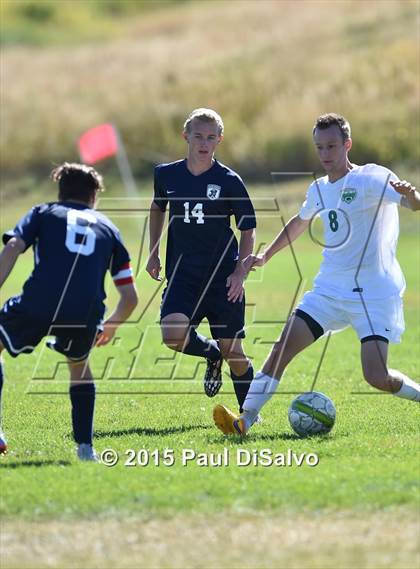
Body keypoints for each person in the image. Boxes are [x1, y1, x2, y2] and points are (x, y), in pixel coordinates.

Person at [213, 112, 420, 435]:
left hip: (373, 293)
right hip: (329, 289)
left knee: (377, 377)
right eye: (320, 147)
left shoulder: (371, 178)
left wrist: (411, 195)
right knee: (282, 348)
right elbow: (300, 221)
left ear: (347, 145)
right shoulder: (319, 189)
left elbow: (413, 204)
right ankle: (245, 418)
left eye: (332, 146)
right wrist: (266, 255)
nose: (325, 154)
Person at [0, 163, 138, 459]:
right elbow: (130, 297)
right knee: (79, 365)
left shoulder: (44, 212)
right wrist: (110, 325)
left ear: (61, 192)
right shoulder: (109, 228)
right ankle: (86, 448)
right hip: (85, 310)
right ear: (93, 197)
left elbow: (13, 245)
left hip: (39, 300)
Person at [146, 108, 256, 411]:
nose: (203, 143)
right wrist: (153, 251)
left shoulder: (229, 180)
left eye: (210, 137)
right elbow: (157, 208)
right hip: (183, 274)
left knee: (234, 352)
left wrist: (240, 273)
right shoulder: (166, 174)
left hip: (223, 278)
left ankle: (248, 415)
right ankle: (210, 354)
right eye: (198, 136)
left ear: (219, 140)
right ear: (186, 136)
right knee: (172, 335)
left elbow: (248, 229)